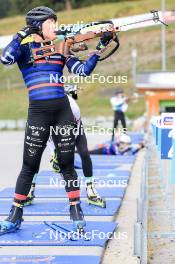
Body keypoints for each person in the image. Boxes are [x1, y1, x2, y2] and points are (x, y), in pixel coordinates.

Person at [0, 6, 111, 235]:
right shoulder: (23, 49)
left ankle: (76, 209)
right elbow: (5, 58)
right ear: (38, 26)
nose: (56, 26)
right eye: (51, 22)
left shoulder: (61, 47)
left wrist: (100, 47)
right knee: (29, 166)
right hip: (38, 113)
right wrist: (22, 33)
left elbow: (82, 71)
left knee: (67, 164)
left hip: (62, 112)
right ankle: (15, 214)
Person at [26, 85, 106, 208]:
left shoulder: (74, 108)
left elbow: (73, 135)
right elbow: (47, 138)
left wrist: (62, 152)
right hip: (48, 124)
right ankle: (29, 190)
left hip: (74, 127)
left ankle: (91, 189)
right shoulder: (41, 109)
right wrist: (54, 154)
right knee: (35, 155)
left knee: (84, 152)